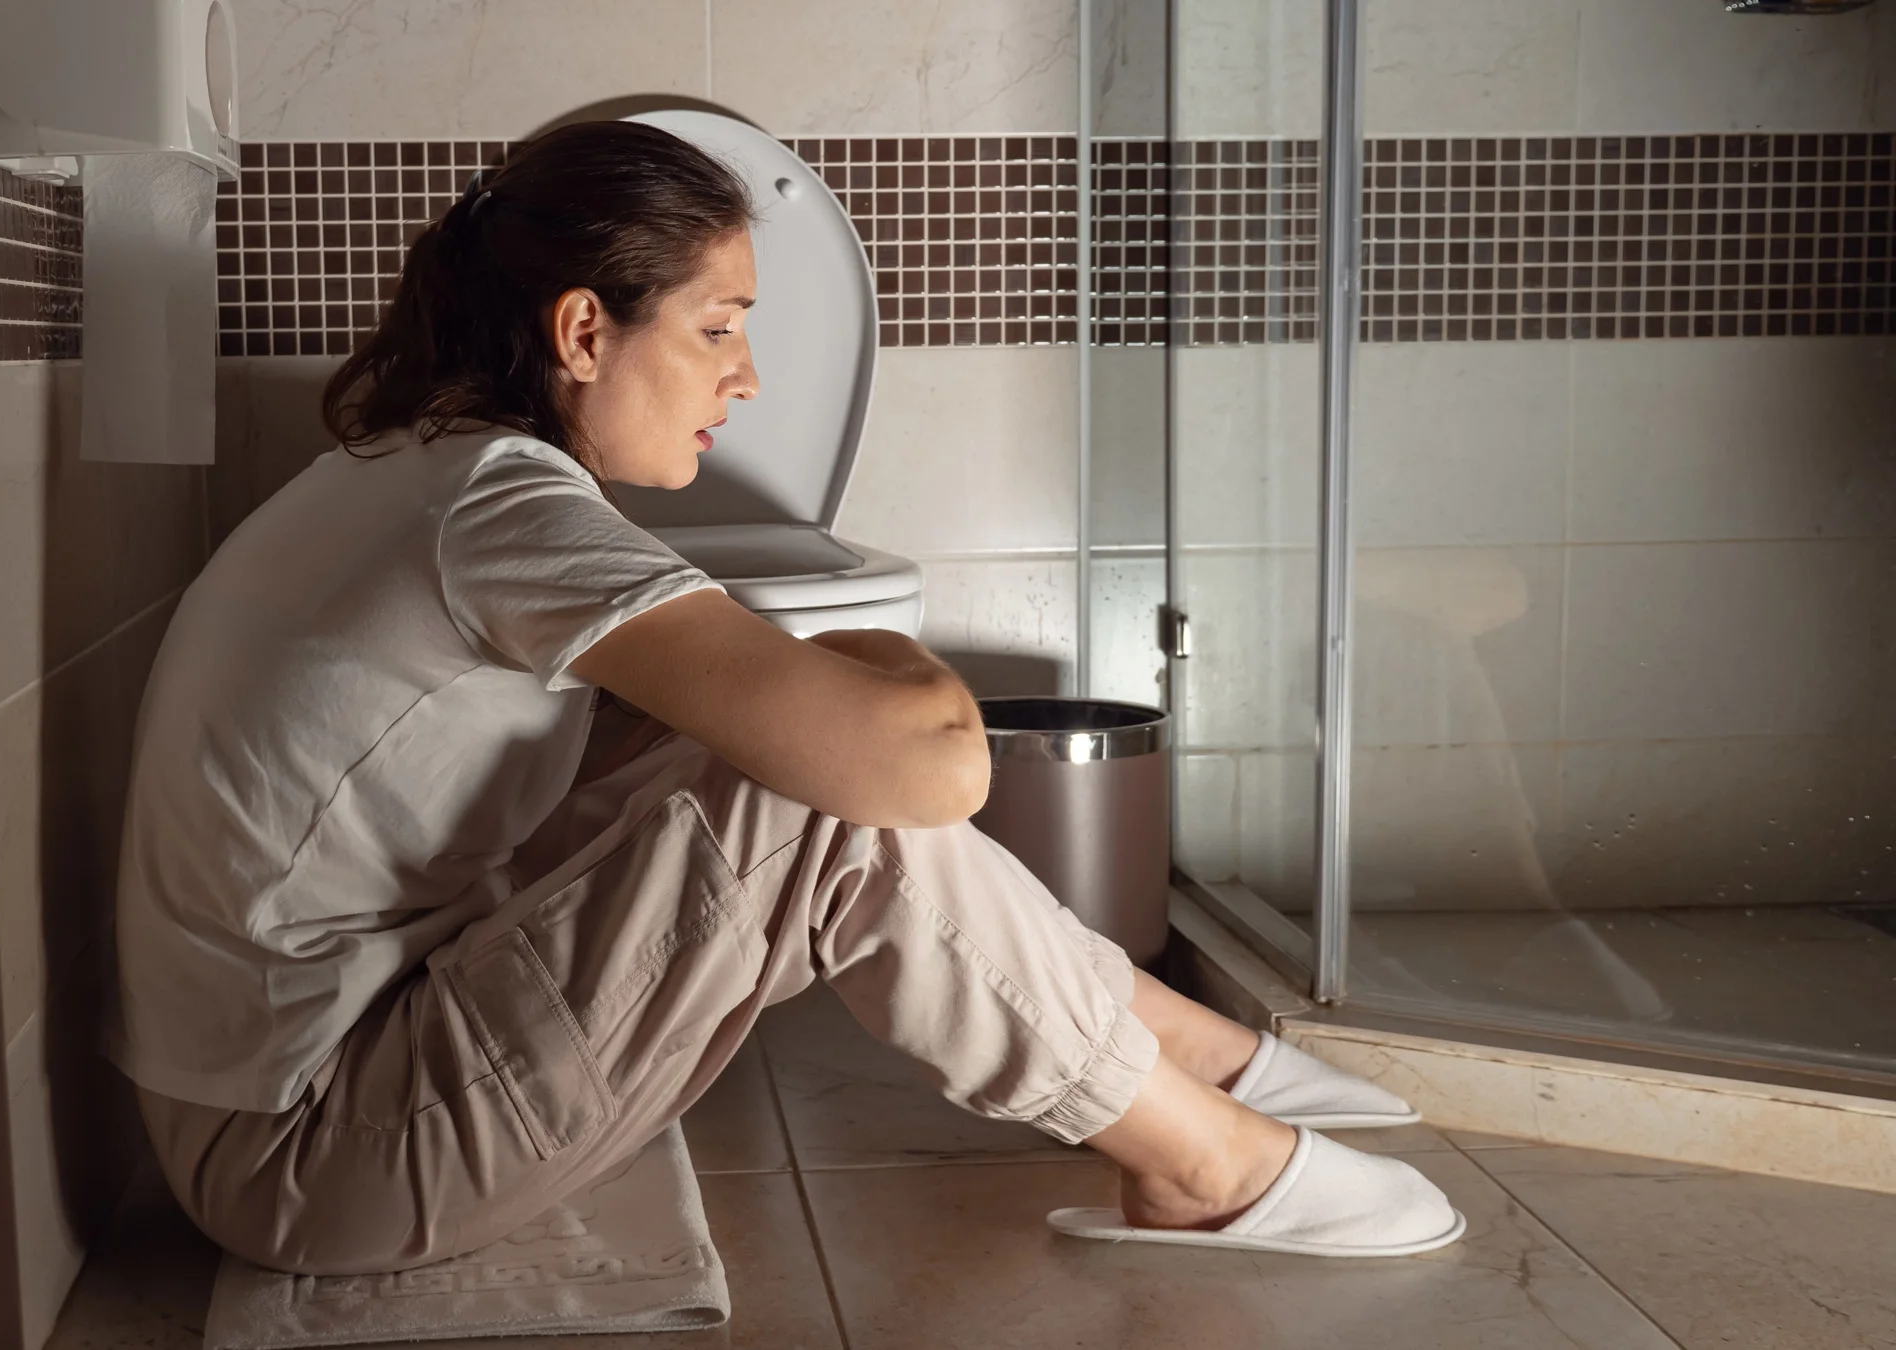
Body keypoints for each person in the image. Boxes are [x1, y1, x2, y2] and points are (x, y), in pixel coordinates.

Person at [107, 120, 1463, 1273]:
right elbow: (933, 771)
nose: (745, 377)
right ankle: (1201, 1157)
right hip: (307, 1151)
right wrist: (878, 660)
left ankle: (1194, 1051)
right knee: (832, 802)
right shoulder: (499, 503)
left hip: (289, 1088)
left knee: (765, 764)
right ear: (584, 329)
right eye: (717, 329)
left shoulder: (421, 465)